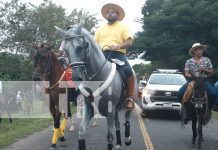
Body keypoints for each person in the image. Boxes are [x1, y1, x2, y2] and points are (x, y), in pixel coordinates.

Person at [95, 3, 134, 109]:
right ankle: (87, 96)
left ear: (117, 14)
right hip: (102, 55)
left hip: (117, 54)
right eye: (108, 12)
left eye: (112, 12)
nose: (109, 14)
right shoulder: (100, 30)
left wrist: (118, 46)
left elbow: (129, 42)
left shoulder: (123, 27)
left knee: (129, 71)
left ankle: (129, 98)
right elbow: (95, 44)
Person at [178, 43, 217, 121]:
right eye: (199, 49)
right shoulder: (189, 61)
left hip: (204, 81)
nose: (201, 51)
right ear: (194, 51)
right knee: (180, 93)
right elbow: (186, 73)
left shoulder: (206, 60)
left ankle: (208, 110)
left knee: (213, 94)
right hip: (192, 81)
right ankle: (185, 110)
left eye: (201, 49)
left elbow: (211, 71)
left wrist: (204, 70)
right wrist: (193, 76)